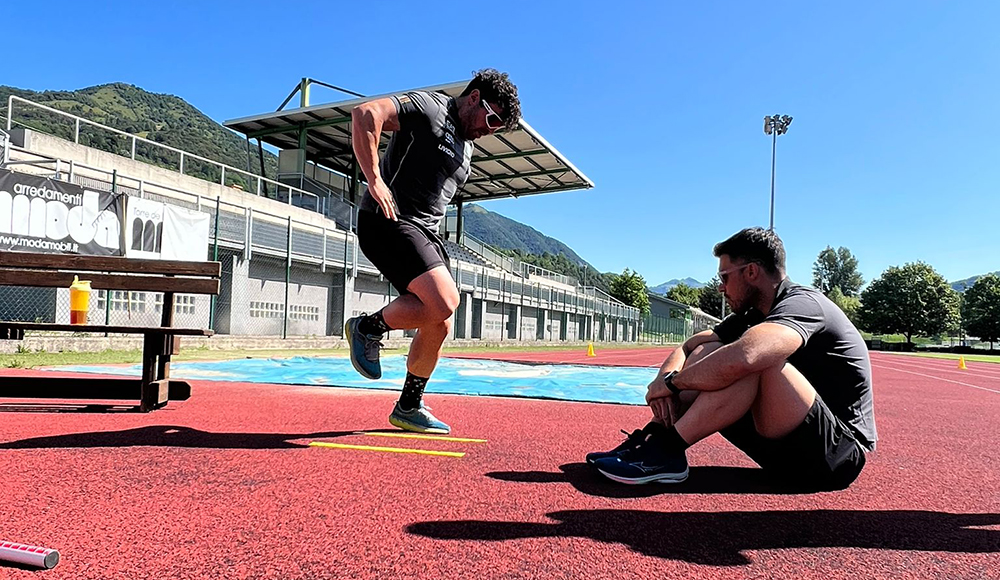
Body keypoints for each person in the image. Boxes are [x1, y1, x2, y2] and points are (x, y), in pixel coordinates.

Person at [588, 227, 877, 490]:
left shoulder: (803, 303)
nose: (720, 287)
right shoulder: (752, 316)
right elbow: (689, 348)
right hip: (783, 451)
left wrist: (674, 383)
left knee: (750, 358)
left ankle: (667, 451)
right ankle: (653, 442)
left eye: (724, 277)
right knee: (708, 352)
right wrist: (664, 382)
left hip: (836, 456)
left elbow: (749, 355)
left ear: (751, 272)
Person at [345, 69, 521, 434]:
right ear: (473, 97)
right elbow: (365, 114)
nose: (490, 129)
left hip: (426, 232)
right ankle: (366, 328)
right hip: (389, 219)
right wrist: (374, 179)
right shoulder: (430, 108)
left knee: (439, 322)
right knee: (444, 300)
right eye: (491, 119)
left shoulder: (467, 145)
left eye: (498, 127)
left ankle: (408, 406)